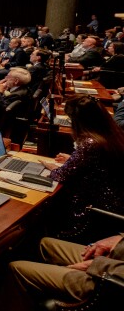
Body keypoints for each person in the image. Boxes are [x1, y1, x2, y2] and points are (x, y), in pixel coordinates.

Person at [7, 233, 124, 311]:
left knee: (17, 269)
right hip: (119, 257)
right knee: (46, 244)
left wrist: (97, 264)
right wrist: (120, 238)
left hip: (112, 279)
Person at [41, 95, 124, 240]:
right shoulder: (112, 134)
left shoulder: (90, 143)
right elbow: (97, 164)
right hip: (112, 203)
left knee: (45, 207)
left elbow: (62, 175)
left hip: (92, 211)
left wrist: (53, 167)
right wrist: (72, 159)